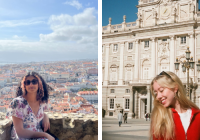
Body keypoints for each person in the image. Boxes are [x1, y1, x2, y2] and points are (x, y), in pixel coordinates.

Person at [150, 71, 200, 140]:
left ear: (175, 88)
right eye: (156, 93)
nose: (158, 96)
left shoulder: (197, 115)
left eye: (161, 90)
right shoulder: (159, 117)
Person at [6, 71, 55, 140]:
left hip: (38, 136)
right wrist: (45, 134)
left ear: (39, 84)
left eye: (34, 82)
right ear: (24, 86)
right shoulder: (17, 103)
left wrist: (45, 116)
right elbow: (20, 132)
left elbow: (37, 115)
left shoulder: (42, 102)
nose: (31, 84)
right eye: (27, 82)